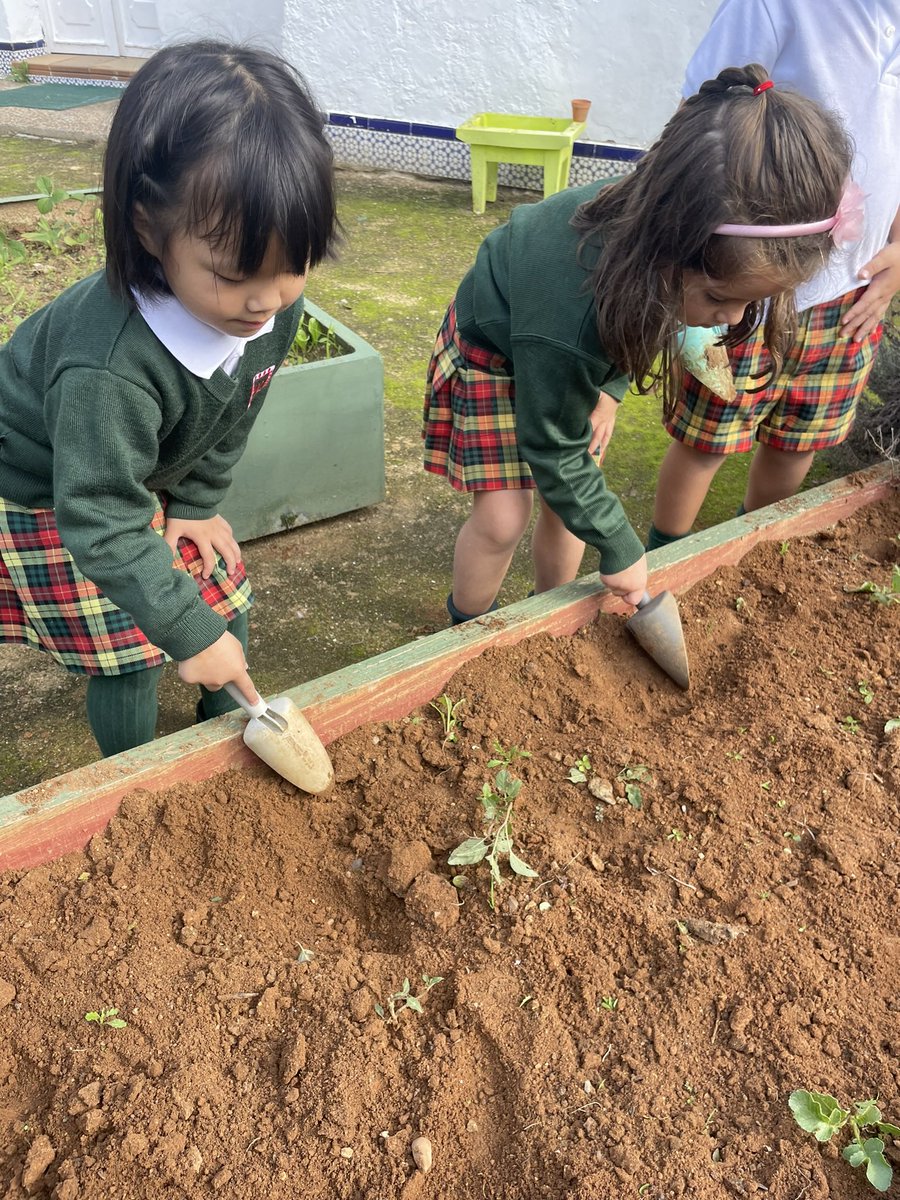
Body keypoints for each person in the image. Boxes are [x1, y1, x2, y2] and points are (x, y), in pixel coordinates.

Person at [423, 63, 854, 624]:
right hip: (496, 347)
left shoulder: (656, 249)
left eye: (753, 303)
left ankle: (546, 622)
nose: (733, 318)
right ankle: (466, 632)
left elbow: (632, 327)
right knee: (504, 516)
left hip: (567, 349)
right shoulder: (575, 314)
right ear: (669, 251)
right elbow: (551, 442)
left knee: (570, 500)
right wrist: (622, 548)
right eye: (722, 297)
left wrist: (608, 392)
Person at [0, 40, 337, 757]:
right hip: (47, 483)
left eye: (293, 268)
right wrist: (185, 634)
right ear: (148, 227)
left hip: (128, 475)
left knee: (226, 606)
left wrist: (197, 503)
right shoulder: (109, 367)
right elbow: (99, 515)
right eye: (232, 273)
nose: (264, 302)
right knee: (128, 653)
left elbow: (239, 407)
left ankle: (228, 742)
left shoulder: (270, 309)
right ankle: (133, 778)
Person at [648, 0, 900, 551]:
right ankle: (663, 556)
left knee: (801, 439)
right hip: (738, 291)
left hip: (854, 299)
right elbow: (699, 118)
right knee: (705, 437)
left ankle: (750, 552)